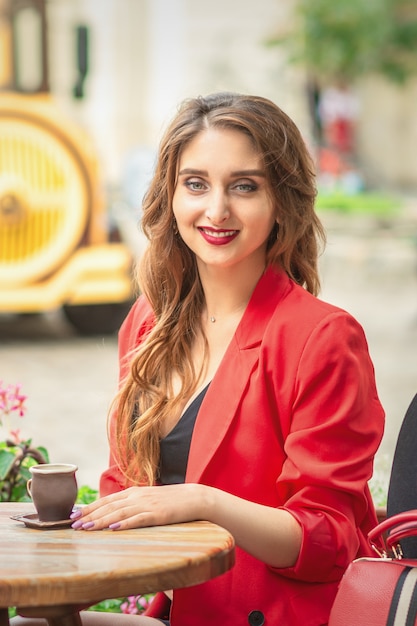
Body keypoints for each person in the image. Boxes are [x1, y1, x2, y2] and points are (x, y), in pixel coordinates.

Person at [13, 92, 385, 626]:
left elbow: (327, 538)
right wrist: (59, 578)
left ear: (282, 201)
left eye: (244, 186)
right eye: (196, 184)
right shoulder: (149, 322)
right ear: (170, 196)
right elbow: (126, 486)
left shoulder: (322, 337)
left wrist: (202, 501)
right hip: (181, 607)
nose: (216, 210)